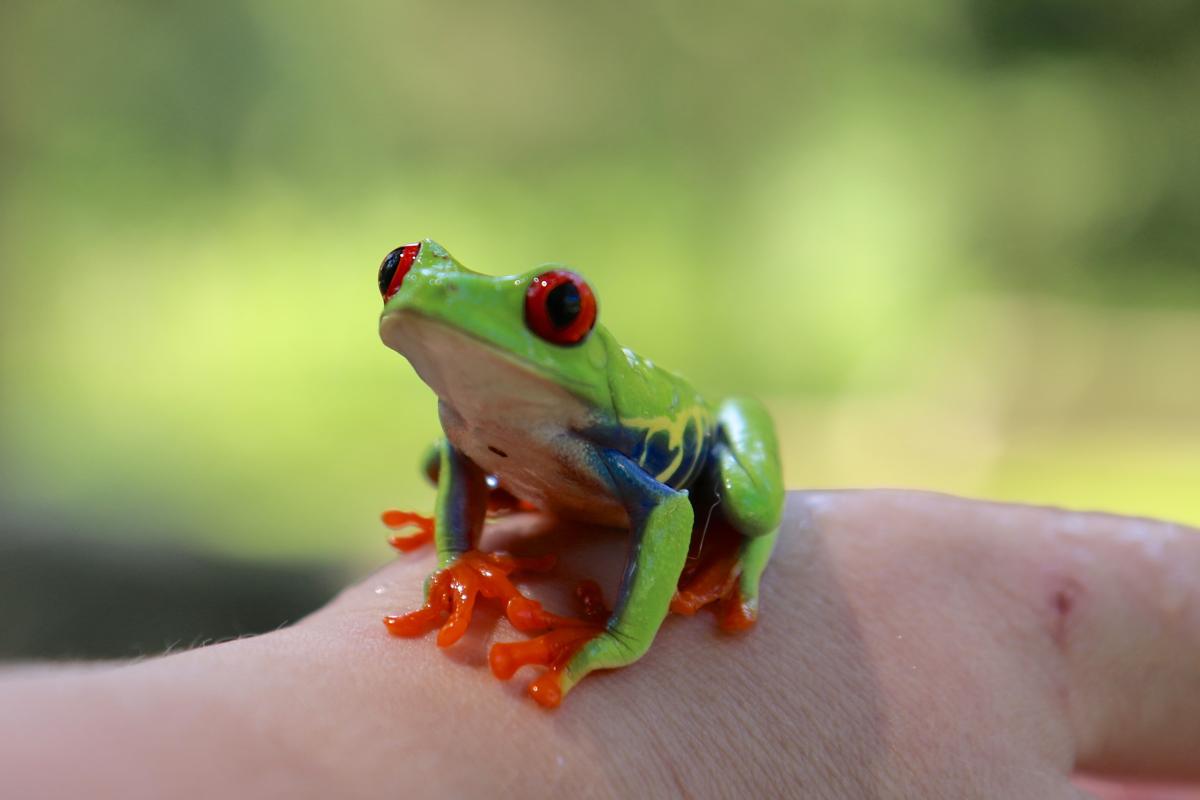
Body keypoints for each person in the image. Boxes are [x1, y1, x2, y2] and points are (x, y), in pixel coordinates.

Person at [2, 490, 1197, 798]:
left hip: (666, 481)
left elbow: (668, 506)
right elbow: (464, 467)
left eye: (556, 309)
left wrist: (618, 642)